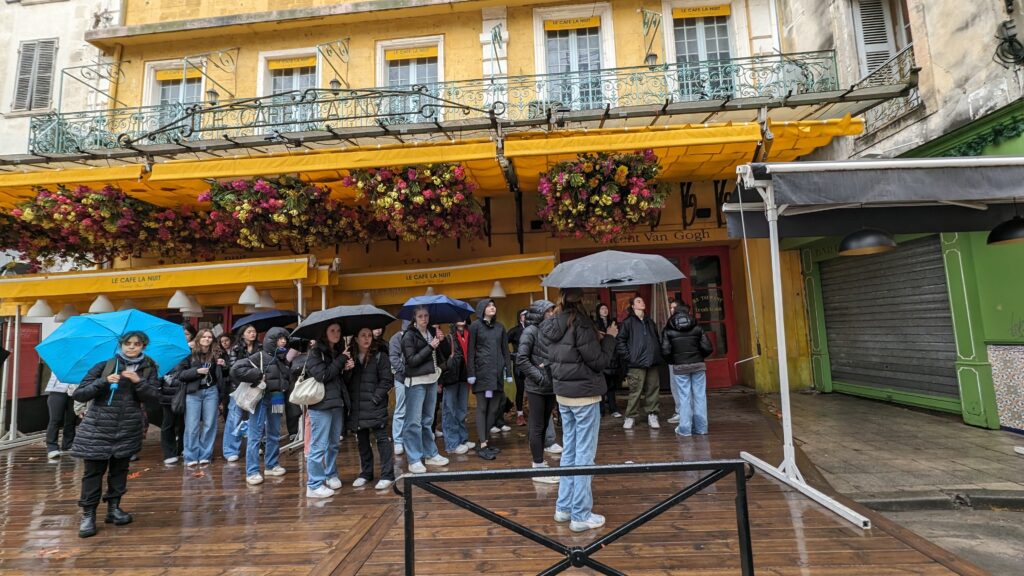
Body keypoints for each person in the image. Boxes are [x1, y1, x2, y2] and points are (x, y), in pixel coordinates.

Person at [539, 288, 617, 532]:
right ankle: (581, 515)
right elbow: (598, 361)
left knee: (570, 452)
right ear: (581, 301)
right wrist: (610, 338)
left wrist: (596, 338)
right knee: (584, 454)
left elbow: (567, 353)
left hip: (563, 395)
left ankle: (563, 508)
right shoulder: (581, 323)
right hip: (584, 396)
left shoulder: (552, 325)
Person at [70, 331, 161, 538]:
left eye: (136, 344)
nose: (131, 347)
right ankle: (88, 515)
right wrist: (103, 381)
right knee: (93, 473)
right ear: (121, 345)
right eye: (128, 343)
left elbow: (154, 397)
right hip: (98, 428)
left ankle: (114, 509)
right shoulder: (105, 365)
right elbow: (80, 393)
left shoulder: (148, 368)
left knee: (120, 471)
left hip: (127, 427)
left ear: (143, 347)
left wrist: (139, 381)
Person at [230, 327, 293, 485]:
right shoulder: (259, 356)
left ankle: (271, 465)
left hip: (277, 397)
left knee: (274, 433)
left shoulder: (282, 358)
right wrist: (257, 375)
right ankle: (252, 471)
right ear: (272, 340)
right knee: (255, 435)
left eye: (285, 338)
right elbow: (235, 369)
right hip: (260, 398)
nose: (283, 341)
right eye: (280, 338)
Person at [344, 327, 396, 490]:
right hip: (358, 407)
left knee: (382, 439)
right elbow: (345, 383)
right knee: (362, 441)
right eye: (363, 335)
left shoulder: (380, 357)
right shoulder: (350, 358)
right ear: (356, 339)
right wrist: (348, 370)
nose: (367, 338)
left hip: (375, 405)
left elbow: (387, 380)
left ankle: (388, 474)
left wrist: (375, 398)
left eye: (369, 335)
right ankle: (366, 473)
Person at [302, 322, 350, 498]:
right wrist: (341, 360)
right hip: (320, 405)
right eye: (332, 330)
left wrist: (347, 368)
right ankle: (314, 484)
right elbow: (323, 375)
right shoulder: (315, 353)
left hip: (336, 402)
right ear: (324, 333)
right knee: (319, 445)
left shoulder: (337, 353)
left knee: (334, 443)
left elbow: (337, 377)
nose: (336, 333)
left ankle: (330, 474)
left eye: (338, 330)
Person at [400, 307, 450, 474]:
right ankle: (414, 459)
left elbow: (441, 357)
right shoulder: (409, 335)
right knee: (413, 422)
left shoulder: (431, 332)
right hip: (416, 382)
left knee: (427, 420)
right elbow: (412, 361)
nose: (424, 319)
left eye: (426, 315)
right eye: (420, 316)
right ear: (414, 318)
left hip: (431, 379)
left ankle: (430, 454)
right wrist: (430, 347)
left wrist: (440, 342)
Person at [516, 299, 559, 484]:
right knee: (537, 426)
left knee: (544, 425)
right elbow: (522, 359)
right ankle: (538, 466)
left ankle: (540, 464)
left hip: (551, 386)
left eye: (552, 310)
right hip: (537, 387)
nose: (552, 313)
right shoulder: (530, 331)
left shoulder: (552, 330)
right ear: (540, 313)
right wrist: (540, 377)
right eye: (548, 311)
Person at [467, 298, 512, 460]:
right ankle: (483, 442)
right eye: (489, 305)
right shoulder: (475, 327)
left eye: (494, 305)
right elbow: (471, 351)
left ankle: (484, 441)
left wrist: (509, 373)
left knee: (494, 409)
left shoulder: (500, 327)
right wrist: (471, 373)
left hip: (497, 375)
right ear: (481, 309)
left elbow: (505, 351)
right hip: (482, 374)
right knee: (482, 408)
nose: (492, 307)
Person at [661, 306, 713, 437]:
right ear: (688, 313)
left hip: (680, 367)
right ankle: (701, 428)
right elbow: (708, 347)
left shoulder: (668, 330)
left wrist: (674, 361)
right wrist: (699, 357)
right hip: (698, 365)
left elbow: (665, 351)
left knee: (684, 398)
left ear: (674, 314)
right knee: (700, 396)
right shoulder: (698, 327)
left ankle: (685, 429)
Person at [177, 329, 225, 467]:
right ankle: (190, 456)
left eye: (210, 337)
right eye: (204, 336)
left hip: (211, 391)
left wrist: (223, 365)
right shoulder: (189, 354)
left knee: (210, 424)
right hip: (193, 393)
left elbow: (224, 375)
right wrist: (196, 371)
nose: (207, 339)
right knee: (192, 426)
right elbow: (180, 374)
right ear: (198, 338)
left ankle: (205, 455)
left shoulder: (217, 353)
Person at [615, 296, 663, 430]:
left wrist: (657, 353)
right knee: (635, 391)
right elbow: (620, 341)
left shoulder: (650, 322)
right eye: (638, 301)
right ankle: (630, 416)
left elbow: (656, 339)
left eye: (642, 300)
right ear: (633, 306)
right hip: (636, 363)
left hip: (652, 362)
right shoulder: (628, 322)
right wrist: (629, 357)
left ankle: (652, 414)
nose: (642, 302)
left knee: (653, 389)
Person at [223, 325, 258, 462]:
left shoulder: (260, 348)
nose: (252, 334)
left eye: (254, 331)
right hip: (237, 389)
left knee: (255, 418)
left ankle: (255, 446)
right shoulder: (235, 349)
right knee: (234, 419)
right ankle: (231, 450)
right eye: (249, 332)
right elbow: (234, 370)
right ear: (243, 334)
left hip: (255, 388)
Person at [441, 321, 475, 455]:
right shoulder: (448, 337)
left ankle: (463, 439)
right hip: (451, 379)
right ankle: (452, 444)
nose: (461, 319)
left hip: (464, 377)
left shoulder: (468, 335)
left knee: (461, 410)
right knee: (450, 411)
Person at [594, 304, 621, 419]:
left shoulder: (613, 323)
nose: (605, 310)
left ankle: (613, 408)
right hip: (601, 356)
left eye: (606, 308)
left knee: (611, 386)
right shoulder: (594, 324)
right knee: (601, 386)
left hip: (613, 356)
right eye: (602, 308)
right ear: (598, 311)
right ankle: (600, 410)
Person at [45, 370, 77, 460]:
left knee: (71, 420)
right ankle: (52, 447)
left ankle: (68, 444)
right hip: (57, 391)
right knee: (55, 420)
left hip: (75, 392)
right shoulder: (59, 361)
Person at [388, 320, 410, 456]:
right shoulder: (396, 338)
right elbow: (394, 358)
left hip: (416, 380)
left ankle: (410, 438)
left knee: (414, 410)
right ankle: (398, 440)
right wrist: (405, 371)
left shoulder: (418, 336)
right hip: (401, 379)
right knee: (401, 409)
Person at [507, 309, 528, 426]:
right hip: (519, 364)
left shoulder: (534, 329)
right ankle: (520, 414)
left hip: (533, 364)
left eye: (527, 315)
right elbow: (503, 342)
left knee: (535, 390)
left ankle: (535, 413)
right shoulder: (515, 331)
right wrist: (510, 355)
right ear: (519, 317)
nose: (526, 316)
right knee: (520, 389)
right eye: (524, 315)